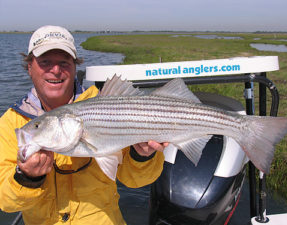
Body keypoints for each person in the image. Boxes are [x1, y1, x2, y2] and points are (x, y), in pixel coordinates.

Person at [0, 25, 167, 225]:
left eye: (64, 62)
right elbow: (6, 202)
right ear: (29, 67)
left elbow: (136, 181)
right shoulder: (11, 123)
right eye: (45, 62)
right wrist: (27, 178)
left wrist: (141, 155)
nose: (55, 70)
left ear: (74, 66)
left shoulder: (106, 102)